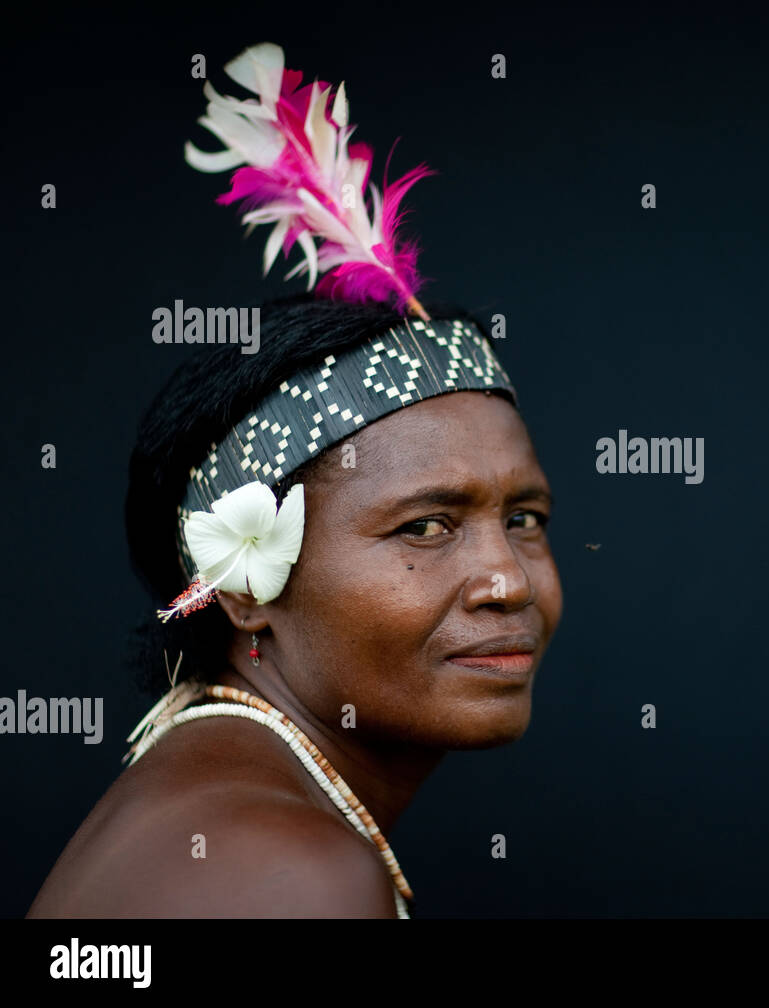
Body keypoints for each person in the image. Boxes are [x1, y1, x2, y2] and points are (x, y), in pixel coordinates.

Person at [28, 42, 562, 918]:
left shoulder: (227, 809)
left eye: (527, 517)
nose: (509, 580)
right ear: (244, 588)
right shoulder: (295, 873)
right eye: (426, 526)